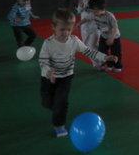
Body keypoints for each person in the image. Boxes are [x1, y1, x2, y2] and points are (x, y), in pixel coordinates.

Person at [39, 8, 116, 137]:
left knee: (62, 101)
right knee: (47, 103)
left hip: (65, 77)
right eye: (62, 30)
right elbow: (42, 61)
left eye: (69, 29)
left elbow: (89, 51)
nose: (66, 33)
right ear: (53, 27)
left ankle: (59, 125)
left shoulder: (74, 41)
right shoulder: (48, 44)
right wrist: (48, 72)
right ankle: (55, 107)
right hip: (48, 78)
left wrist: (105, 57)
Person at [78, 0, 123, 72]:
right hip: (103, 36)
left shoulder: (109, 16)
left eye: (96, 11)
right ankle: (109, 64)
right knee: (102, 51)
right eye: (92, 11)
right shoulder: (93, 14)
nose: (94, 14)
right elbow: (86, 19)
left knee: (115, 52)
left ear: (103, 9)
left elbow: (115, 28)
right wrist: (79, 24)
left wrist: (111, 38)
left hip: (114, 37)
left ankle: (118, 66)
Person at [77, 0, 106, 67]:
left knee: (91, 45)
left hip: (95, 28)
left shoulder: (100, 3)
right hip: (84, 28)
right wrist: (82, 4)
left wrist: (105, 29)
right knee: (87, 47)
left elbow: (99, 14)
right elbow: (79, 11)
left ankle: (101, 60)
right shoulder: (85, 0)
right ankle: (99, 62)